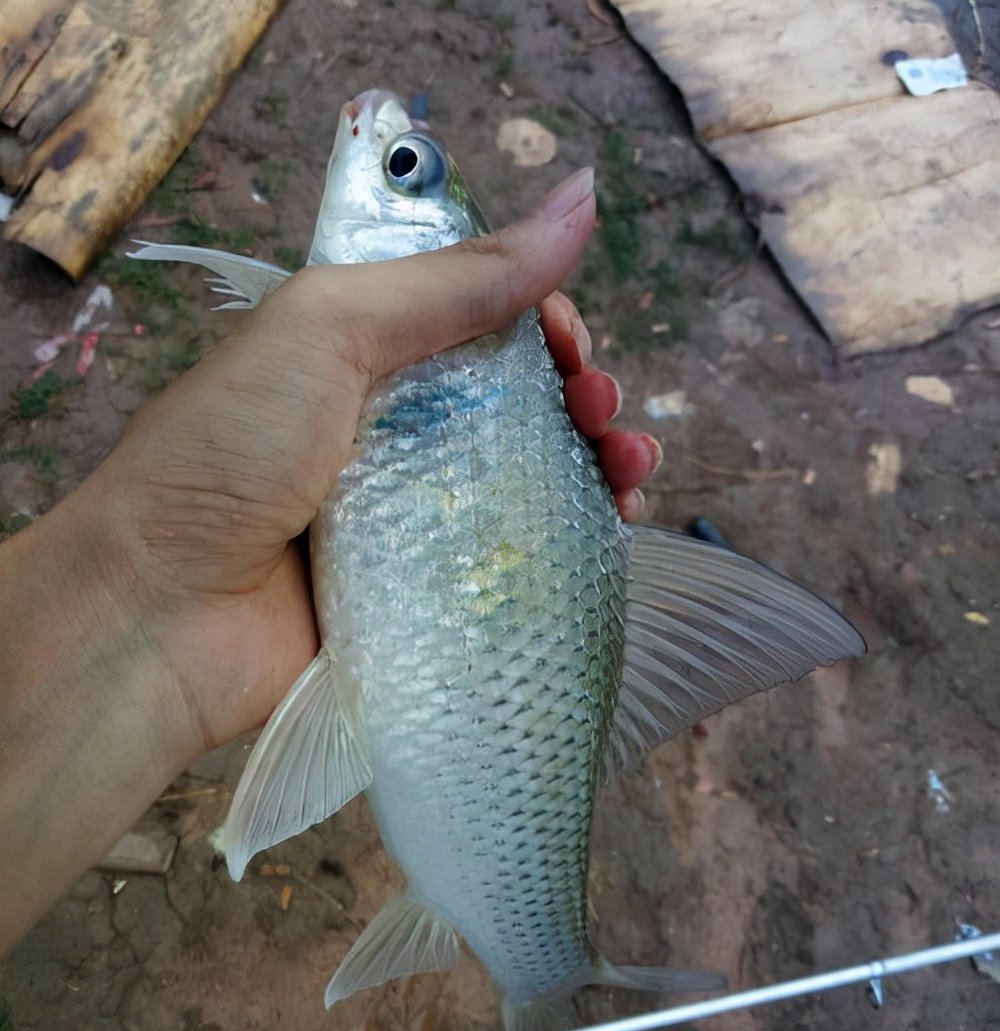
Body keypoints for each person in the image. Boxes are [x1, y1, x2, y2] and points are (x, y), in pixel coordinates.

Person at [0, 171, 661, 953]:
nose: (364, 123)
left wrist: (143, 603)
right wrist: (143, 595)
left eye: (403, 167)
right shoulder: (337, 333)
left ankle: (538, 964)